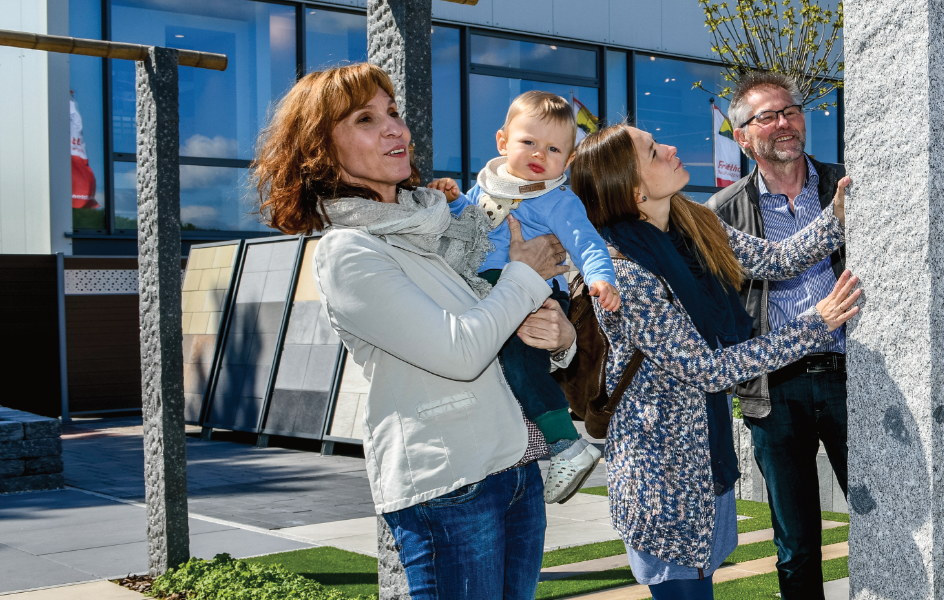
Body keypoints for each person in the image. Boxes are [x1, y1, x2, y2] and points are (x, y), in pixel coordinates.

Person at [253, 63, 575, 600]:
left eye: (393, 112)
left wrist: (558, 338)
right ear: (321, 151)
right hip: (451, 483)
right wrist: (524, 273)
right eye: (366, 118)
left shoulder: (443, 226)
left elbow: (500, 329)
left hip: (515, 467)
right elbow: (460, 351)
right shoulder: (348, 251)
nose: (395, 129)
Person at [569, 123, 860, 600]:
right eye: (653, 150)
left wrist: (837, 218)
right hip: (660, 472)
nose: (671, 148)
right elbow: (707, 368)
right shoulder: (621, 269)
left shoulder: (695, 223)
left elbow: (774, 259)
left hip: (706, 457)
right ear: (634, 189)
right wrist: (814, 325)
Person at [427, 90, 616, 504]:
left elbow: (587, 243)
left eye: (552, 149)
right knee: (500, 361)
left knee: (519, 361)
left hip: (537, 294)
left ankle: (566, 444)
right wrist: (454, 200)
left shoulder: (557, 200)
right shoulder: (487, 187)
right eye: (528, 142)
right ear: (502, 142)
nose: (538, 154)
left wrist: (600, 278)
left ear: (566, 162)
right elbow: (471, 225)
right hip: (490, 288)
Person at [704, 71, 850, 600]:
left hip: (851, 377)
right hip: (773, 390)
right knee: (797, 546)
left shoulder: (848, 185)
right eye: (766, 116)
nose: (783, 122)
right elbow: (721, 309)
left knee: (889, 512)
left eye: (789, 111)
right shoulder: (722, 213)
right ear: (742, 137)